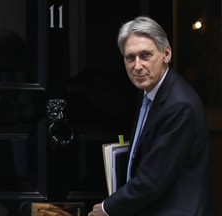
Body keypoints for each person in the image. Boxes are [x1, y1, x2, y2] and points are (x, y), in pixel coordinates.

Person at [88, 16, 213, 216]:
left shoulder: (179, 105)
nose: (137, 66)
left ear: (166, 54)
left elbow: (152, 180)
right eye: (130, 57)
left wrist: (107, 209)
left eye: (145, 55)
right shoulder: (150, 91)